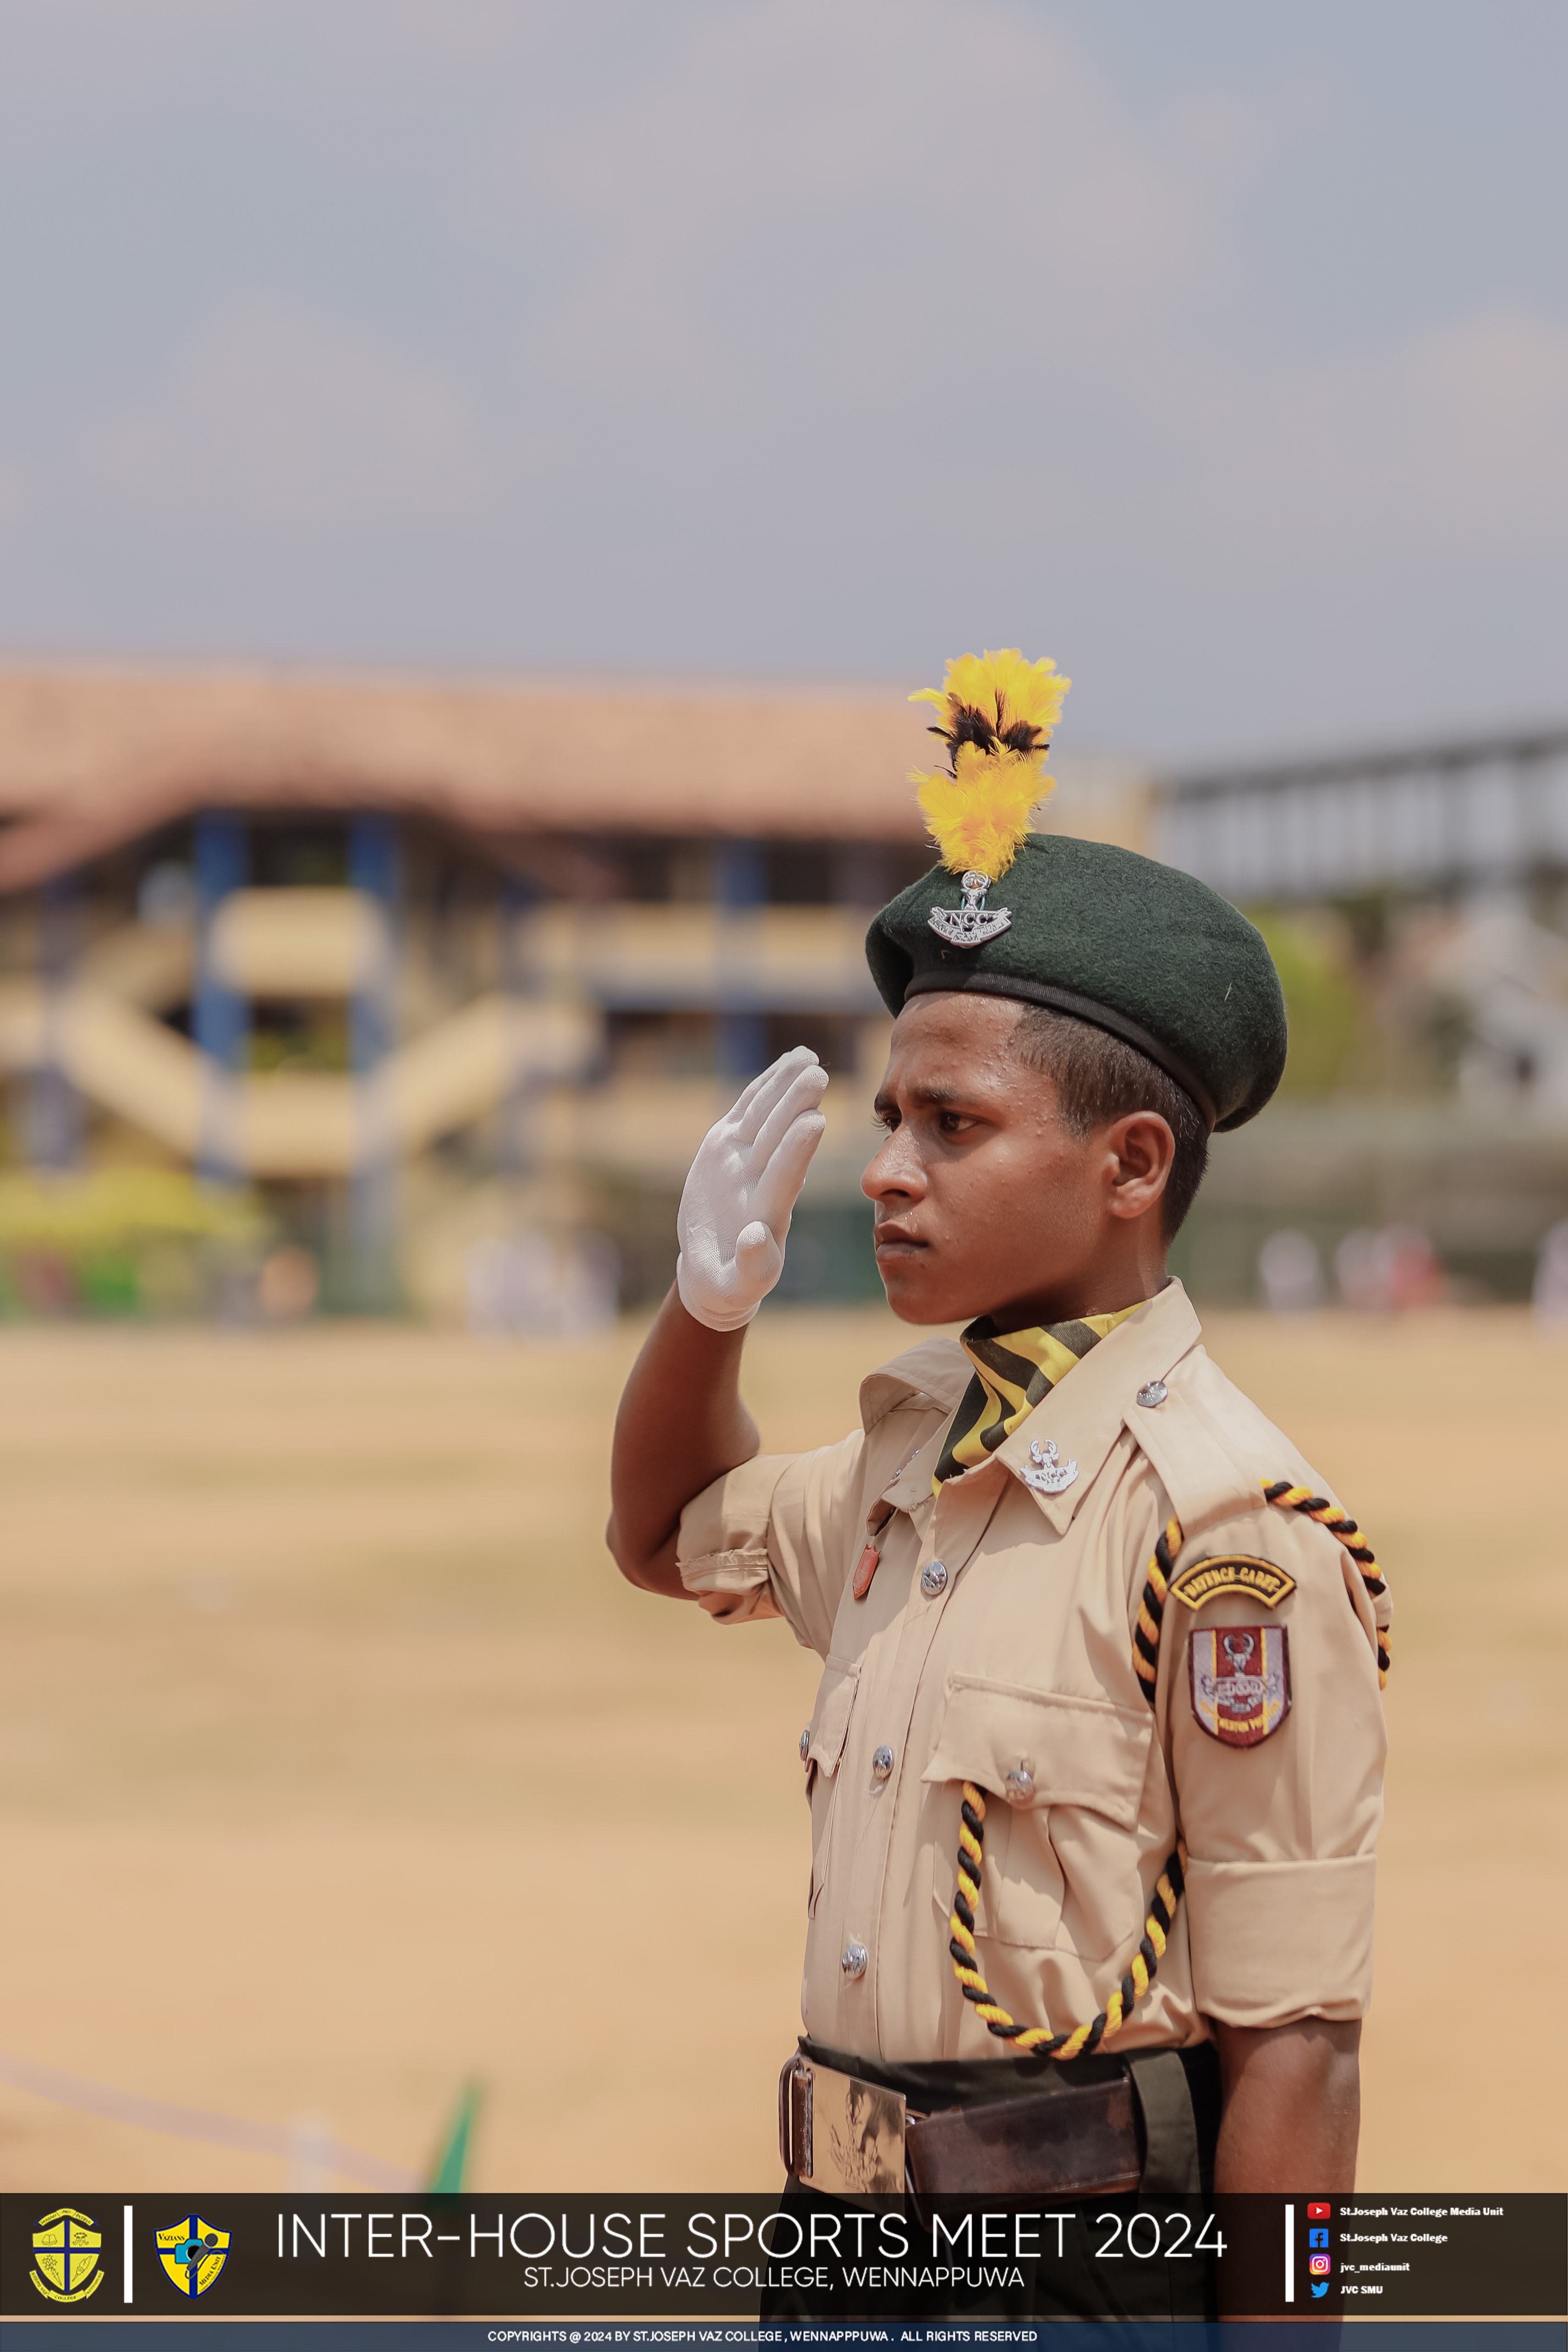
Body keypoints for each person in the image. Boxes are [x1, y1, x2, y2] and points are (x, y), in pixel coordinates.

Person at [608, 652, 1391, 2286]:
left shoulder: (1226, 1531)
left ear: (1131, 1164)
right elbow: (668, 1536)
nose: (886, 1172)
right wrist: (706, 1310)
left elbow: (1298, 2055)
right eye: (891, 1117)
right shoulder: (912, 1465)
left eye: (951, 1126)